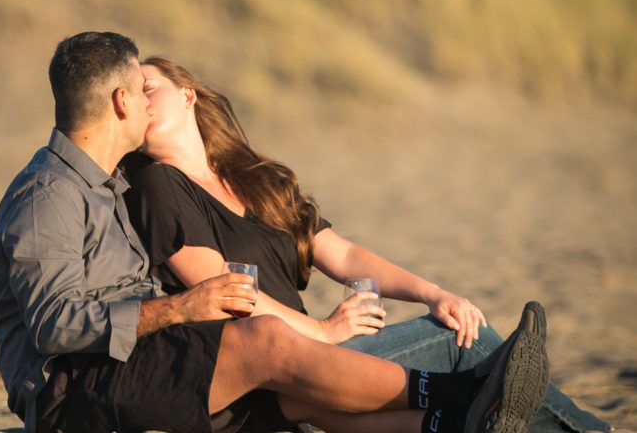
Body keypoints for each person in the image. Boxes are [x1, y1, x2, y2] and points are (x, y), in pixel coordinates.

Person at [0, 31, 550, 433]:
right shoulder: (50, 196)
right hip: (74, 394)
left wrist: (184, 316)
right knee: (272, 346)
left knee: (299, 394)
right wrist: (182, 311)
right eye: (141, 88)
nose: (149, 104)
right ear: (121, 101)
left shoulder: (105, 187)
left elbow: (339, 251)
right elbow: (55, 326)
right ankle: (468, 392)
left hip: (135, 362)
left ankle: (452, 421)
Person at [123, 56, 609, 433]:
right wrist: (322, 331)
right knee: (470, 345)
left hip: (318, 349)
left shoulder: (254, 179)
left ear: (188, 94)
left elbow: (345, 256)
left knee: (461, 330)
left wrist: (432, 292)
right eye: (132, 96)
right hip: (281, 373)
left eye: (151, 88)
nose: (143, 101)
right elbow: (225, 292)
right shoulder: (157, 185)